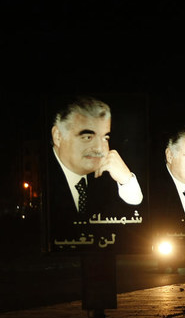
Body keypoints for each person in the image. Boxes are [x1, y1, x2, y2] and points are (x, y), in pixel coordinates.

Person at [48, 96, 143, 239]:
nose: (100, 149)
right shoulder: (44, 177)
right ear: (58, 136)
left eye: (105, 138)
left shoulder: (106, 173)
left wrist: (126, 180)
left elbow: (137, 225)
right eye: (87, 137)